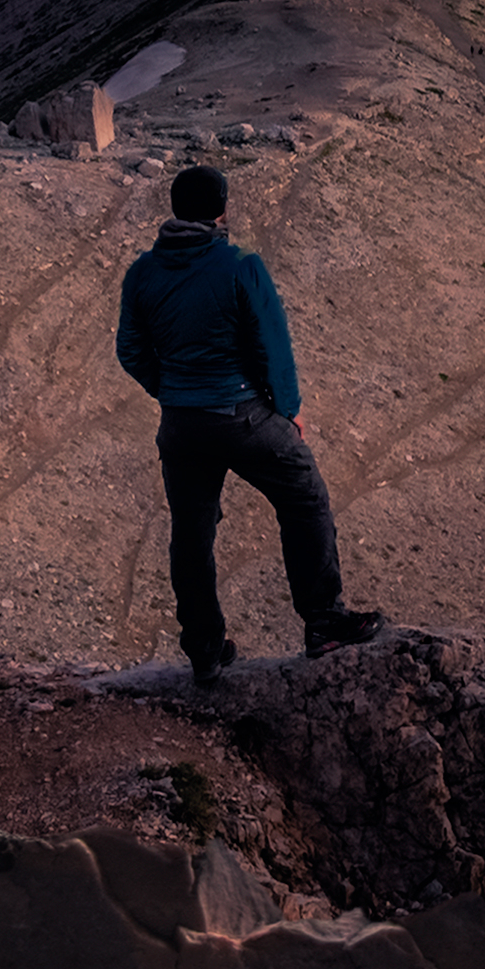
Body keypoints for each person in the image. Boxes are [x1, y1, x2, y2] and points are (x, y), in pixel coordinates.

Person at [116, 164, 384, 679]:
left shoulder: (142, 273)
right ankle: (324, 622)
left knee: (191, 533)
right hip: (242, 416)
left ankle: (204, 649)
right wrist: (288, 409)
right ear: (221, 210)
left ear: (174, 210)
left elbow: (130, 349)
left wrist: (172, 391)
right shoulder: (241, 265)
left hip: (180, 426)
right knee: (305, 498)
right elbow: (272, 346)